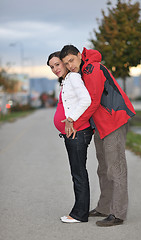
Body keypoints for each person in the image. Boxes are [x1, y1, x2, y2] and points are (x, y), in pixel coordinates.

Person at [60, 45, 136, 227]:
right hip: (101, 126)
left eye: (71, 60)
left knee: (115, 168)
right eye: (66, 63)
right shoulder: (82, 72)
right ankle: (103, 207)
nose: (70, 65)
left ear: (79, 55)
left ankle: (117, 213)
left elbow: (92, 102)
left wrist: (75, 123)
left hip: (113, 121)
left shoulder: (92, 68)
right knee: (103, 168)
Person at [47, 52, 93, 223]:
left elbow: (86, 100)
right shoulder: (67, 80)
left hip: (78, 132)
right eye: (52, 67)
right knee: (78, 172)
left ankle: (79, 214)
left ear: (65, 63)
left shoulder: (73, 77)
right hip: (74, 133)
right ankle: (80, 211)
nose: (55, 69)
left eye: (57, 64)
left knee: (79, 173)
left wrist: (71, 119)